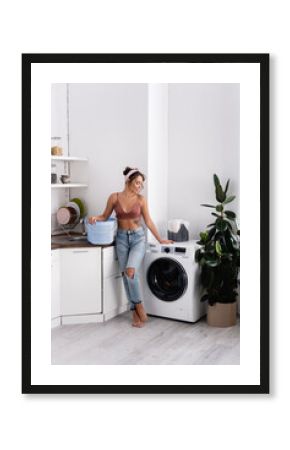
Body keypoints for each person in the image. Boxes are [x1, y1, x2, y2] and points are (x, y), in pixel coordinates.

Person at [89, 166, 173, 328]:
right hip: (121, 239)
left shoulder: (141, 200)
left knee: (130, 271)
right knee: (126, 276)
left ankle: (138, 306)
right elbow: (104, 216)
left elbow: (148, 221)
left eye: (141, 184)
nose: (140, 186)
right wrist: (95, 218)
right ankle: (135, 312)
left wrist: (160, 239)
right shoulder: (114, 197)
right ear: (128, 181)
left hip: (138, 239)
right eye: (137, 183)